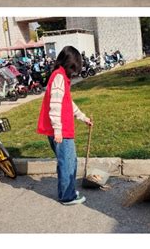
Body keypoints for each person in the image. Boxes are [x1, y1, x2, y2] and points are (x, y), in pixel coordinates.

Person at [37, 46, 93, 205]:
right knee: (67, 163)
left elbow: (67, 102)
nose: (74, 72)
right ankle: (67, 196)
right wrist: (58, 131)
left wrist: (82, 117)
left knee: (68, 161)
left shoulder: (60, 77)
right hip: (61, 131)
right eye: (73, 68)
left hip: (61, 129)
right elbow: (54, 106)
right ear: (68, 64)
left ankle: (66, 191)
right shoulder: (59, 78)